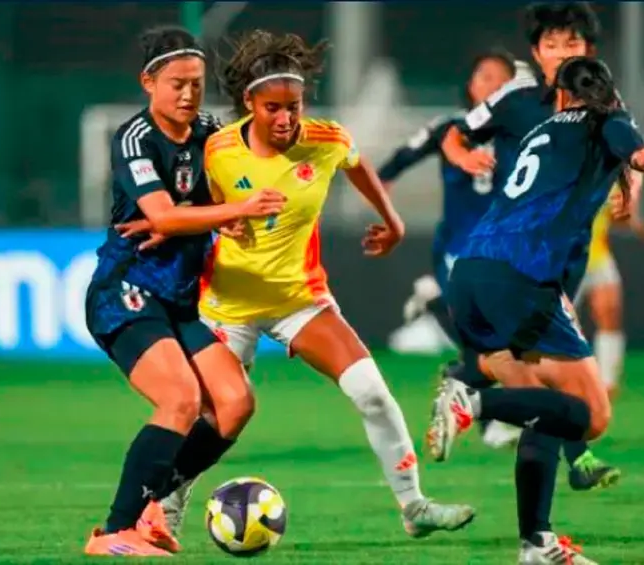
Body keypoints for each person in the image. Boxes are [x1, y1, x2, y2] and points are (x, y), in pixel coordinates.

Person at [122, 29, 478, 539]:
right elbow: (185, 207)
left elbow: (359, 169)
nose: (287, 118)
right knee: (214, 415)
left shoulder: (326, 139)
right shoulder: (217, 149)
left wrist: (391, 220)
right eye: (274, 108)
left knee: (373, 394)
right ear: (250, 103)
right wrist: (205, 220)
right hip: (227, 305)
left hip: (300, 299)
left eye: (295, 106)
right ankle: (168, 508)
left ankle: (414, 506)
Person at [440, 55, 644, 563]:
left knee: (548, 409)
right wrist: (643, 157)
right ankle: (472, 402)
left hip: (472, 272)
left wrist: (628, 178)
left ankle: (536, 544)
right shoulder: (607, 118)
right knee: (590, 414)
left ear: (560, 95)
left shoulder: (543, 127)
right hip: (520, 277)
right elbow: (626, 143)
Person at [82, 26, 286, 557]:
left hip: (177, 300)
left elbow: (213, 198)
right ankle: (111, 534)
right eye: (177, 83)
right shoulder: (134, 138)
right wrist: (220, 215)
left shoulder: (212, 132)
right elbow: (163, 214)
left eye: (196, 83)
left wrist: (216, 220)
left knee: (236, 402)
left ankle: (153, 502)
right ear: (148, 82)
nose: (189, 94)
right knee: (180, 398)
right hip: (124, 291)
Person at [429, 1, 623, 492]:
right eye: (551, 44)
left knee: (542, 386)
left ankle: (469, 379)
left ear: (589, 49)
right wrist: (465, 156)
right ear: (535, 52)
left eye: (572, 43)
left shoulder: (599, 97)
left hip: (563, 255)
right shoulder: (516, 97)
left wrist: (630, 191)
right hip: (521, 261)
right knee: (566, 395)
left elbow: (625, 151)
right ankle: (479, 394)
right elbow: (455, 135)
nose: (561, 53)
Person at [377, 49, 524, 447]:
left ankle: (437, 309)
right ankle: (491, 421)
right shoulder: (451, 127)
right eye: (483, 75)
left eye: (500, 77)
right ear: (470, 86)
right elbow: (402, 157)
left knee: (504, 339)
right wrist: (382, 185)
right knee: (487, 335)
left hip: (507, 251)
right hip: (459, 247)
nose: (491, 83)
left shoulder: (522, 132)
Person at [572, 185, 644, 398]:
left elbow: (615, 213)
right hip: (565, 262)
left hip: (598, 257)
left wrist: (634, 223)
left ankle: (607, 383)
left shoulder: (610, 175)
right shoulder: (561, 167)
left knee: (609, 313)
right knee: (562, 326)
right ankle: (563, 381)